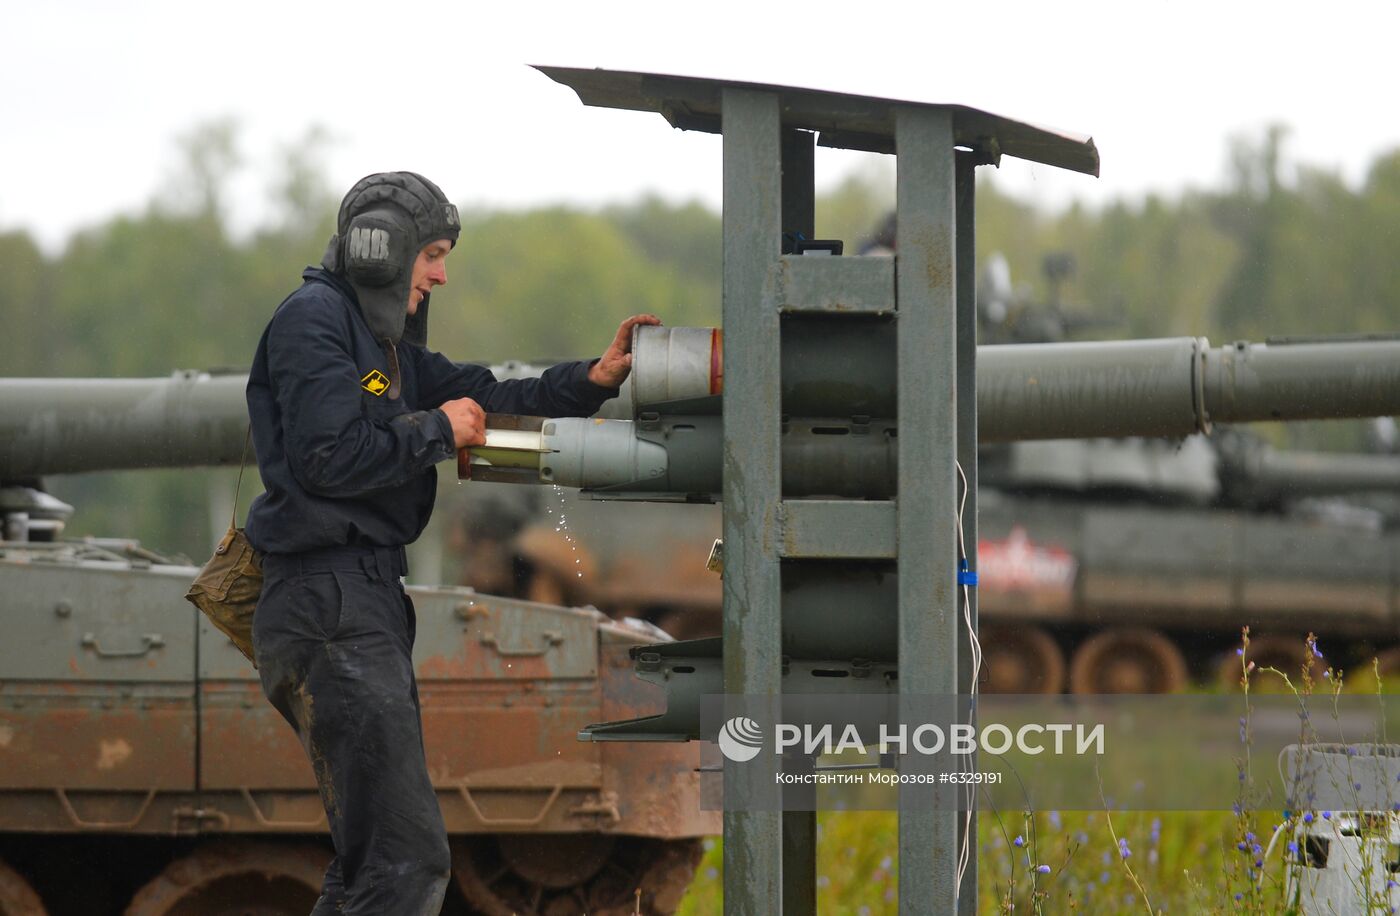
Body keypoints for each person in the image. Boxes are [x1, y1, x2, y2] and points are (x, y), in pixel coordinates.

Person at [244, 171, 658, 914]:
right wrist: (438, 431)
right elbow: (326, 457)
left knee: (373, 862)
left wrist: (593, 379)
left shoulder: (382, 350)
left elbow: (490, 393)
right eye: (432, 253)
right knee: (403, 861)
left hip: (356, 602)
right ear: (383, 250)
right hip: (328, 600)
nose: (441, 273)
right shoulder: (313, 323)